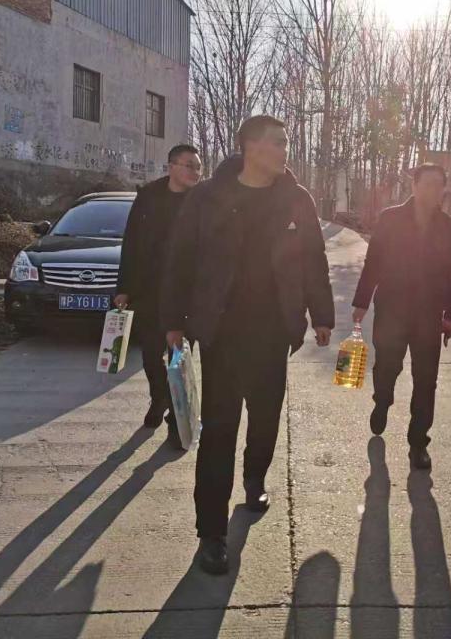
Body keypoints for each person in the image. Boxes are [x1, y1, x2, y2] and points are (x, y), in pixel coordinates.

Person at [161, 115, 335, 575]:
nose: (284, 151)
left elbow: (313, 258)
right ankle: (211, 533)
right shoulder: (208, 196)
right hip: (221, 332)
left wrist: (322, 315)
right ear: (251, 147)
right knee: (219, 429)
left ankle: (254, 478)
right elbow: (180, 259)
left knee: (265, 417)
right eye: (278, 142)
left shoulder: (296, 198)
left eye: (286, 142)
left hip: (274, 332)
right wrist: (173, 322)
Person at [351, 164, 451, 470]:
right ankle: (382, 401)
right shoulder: (391, 219)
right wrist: (362, 302)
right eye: (427, 184)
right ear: (414, 186)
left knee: (426, 380)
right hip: (392, 309)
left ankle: (419, 443)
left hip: (429, 314)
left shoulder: (450, 228)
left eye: (438, 185)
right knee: (387, 367)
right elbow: (374, 261)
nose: (433, 191)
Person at [115, 144, 203, 446]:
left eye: (198, 167)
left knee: (180, 358)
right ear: (171, 166)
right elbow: (131, 242)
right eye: (189, 165)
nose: (195, 172)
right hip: (150, 291)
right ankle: (160, 396)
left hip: (188, 294)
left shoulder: (203, 200)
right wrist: (123, 287)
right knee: (151, 356)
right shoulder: (148, 197)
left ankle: (177, 423)